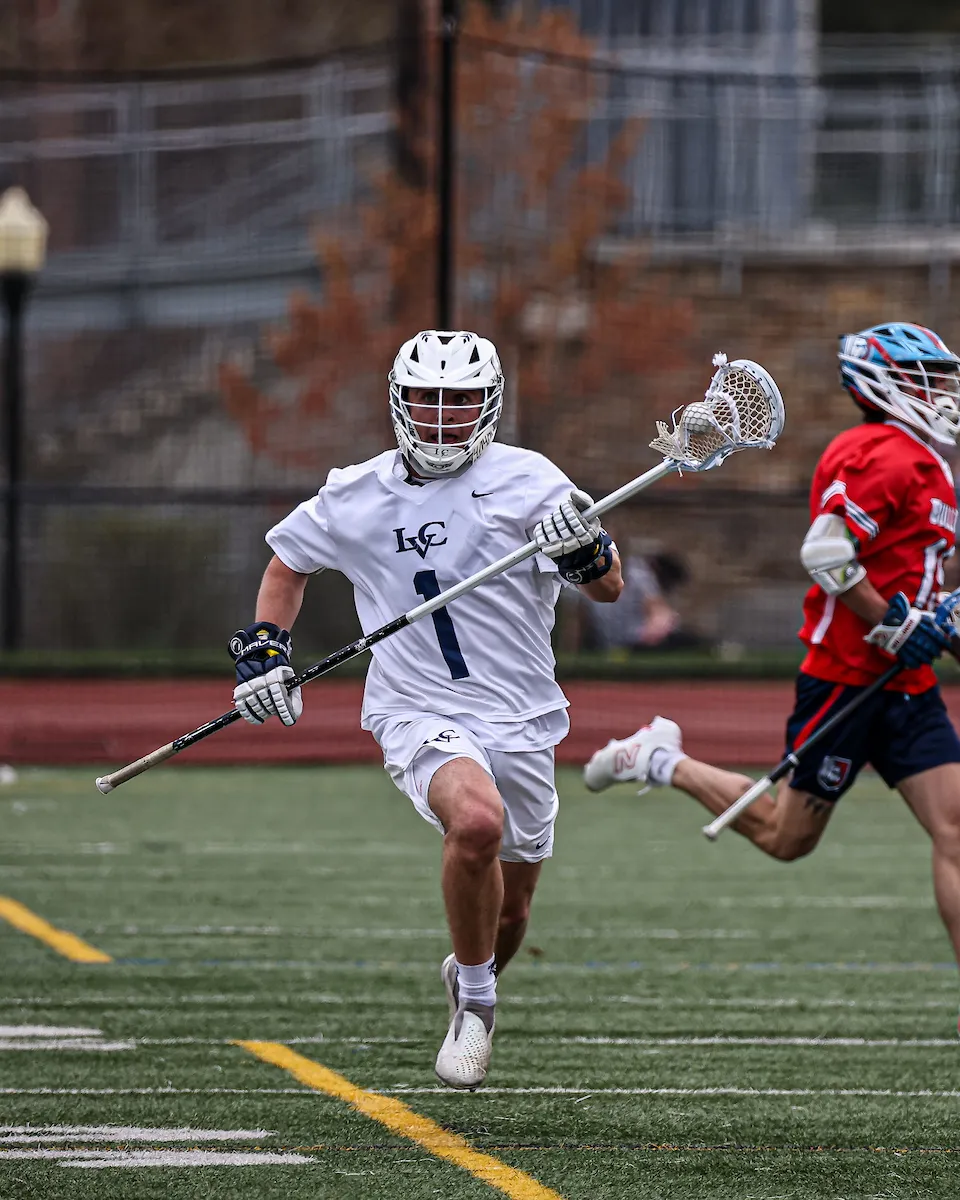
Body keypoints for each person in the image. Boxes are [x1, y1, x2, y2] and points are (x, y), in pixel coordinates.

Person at [228, 329, 623, 1088]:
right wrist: (268, 651)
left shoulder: (531, 480)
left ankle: (472, 968)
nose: (442, 417)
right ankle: (477, 1006)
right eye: (426, 399)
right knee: (475, 823)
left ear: (490, 404)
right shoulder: (357, 492)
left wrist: (585, 553)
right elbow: (287, 566)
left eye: (460, 401)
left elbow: (608, 588)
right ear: (398, 402)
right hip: (416, 706)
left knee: (511, 915)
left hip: (520, 713)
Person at [582, 322, 960, 997]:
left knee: (954, 831)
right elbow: (826, 552)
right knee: (788, 838)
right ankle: (660, 758)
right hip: (846, 679)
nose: (942, 393)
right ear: (886, 385)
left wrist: (938, 623)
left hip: (908, 683)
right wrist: (898, 623)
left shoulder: (929, 463)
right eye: (926, 380)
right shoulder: (880, 452)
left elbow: (913, 574)